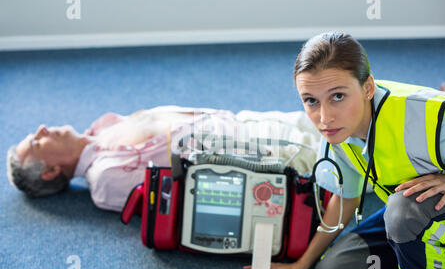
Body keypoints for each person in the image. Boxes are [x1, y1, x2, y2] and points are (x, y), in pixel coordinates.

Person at [241, 32, 445, 269]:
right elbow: (346, 199)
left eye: (337, 96)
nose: (325, 117)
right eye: (311, 101)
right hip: (416, 218)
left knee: (402, 213)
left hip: (413, 213)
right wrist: (302, 265)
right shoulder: (337, 132)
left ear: (368, 88)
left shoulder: (432, 114)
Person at [7, 105, 320, 212]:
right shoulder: (104, 178)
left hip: (242, 121)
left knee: (340, 117)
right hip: (258, 151)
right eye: (37, 141)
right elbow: (183, 197)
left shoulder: (101, 129)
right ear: (49, 171)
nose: (42, 129)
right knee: (341, 153)